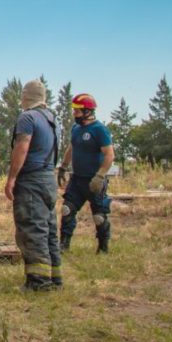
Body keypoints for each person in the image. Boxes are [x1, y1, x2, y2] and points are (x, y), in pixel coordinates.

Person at [4, 79, 63, 291]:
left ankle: (38, 282)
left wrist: (11, 178)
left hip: (32, 179)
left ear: (26, 97)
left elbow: (22, 146)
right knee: (48, 230)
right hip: (48, 178)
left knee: (32, 230)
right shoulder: (51, 119)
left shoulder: (27, 117)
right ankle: (55, 278)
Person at [57, 93, 115, 254]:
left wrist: (100, 176)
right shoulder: (76, 129)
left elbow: (109, 155)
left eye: (77, 111)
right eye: (74, 110)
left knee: (99, 216)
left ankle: (103, 247)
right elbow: (71, 147)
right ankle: (64, 245)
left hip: (94, 180)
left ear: (88, 111)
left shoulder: (99, 130)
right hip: (77, 179)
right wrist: (63, 167)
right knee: (67, 210)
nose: (74, 114)